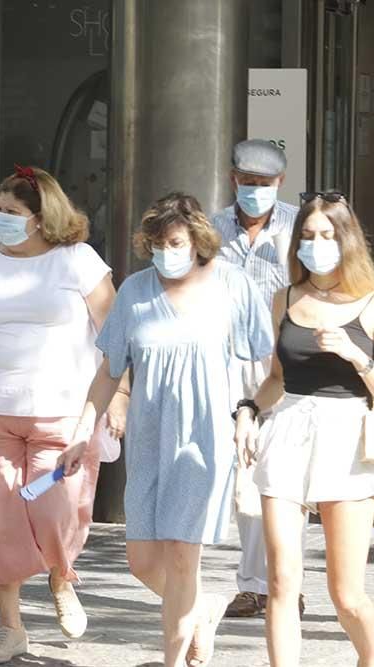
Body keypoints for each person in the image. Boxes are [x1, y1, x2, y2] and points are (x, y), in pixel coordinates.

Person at [61, 192, 273, 667]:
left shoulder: (233, 285)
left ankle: (173, 659)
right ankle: (202, 609)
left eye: (174, 242)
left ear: (197, 240)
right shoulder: (136, 291)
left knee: (182, 555)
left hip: (207, 437)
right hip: (148, 439)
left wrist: (249, 415)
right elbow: (109, 369)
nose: (165, 252)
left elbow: (262, 363)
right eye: (156, 244)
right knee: (141, 560)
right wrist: (82, 429)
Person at [0, 166, 128, 665]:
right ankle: (10, 627)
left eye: (11, 212)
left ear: (42, 219)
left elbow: (115, 335)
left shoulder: (78, 261)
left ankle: (62, 575)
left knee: (57, 511)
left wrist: (120, 398)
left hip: (62, 413)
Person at [237, 192, 374, 666]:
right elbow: (276, 378)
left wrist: (358, 357)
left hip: (348, 437)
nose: (316, 245)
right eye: (308, 237)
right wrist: (248, 410)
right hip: (290, 430)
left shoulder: (370, 300)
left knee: (347, 595)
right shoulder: (286, 297)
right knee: (281, 581)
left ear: (347, 240)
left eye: (327, 235)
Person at [211, 139, 304, 620]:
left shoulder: (298, 228)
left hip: (286, 359)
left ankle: (286, 581)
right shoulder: (211, 228)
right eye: (247, 183)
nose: (254, 192)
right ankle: (254, 585)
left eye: (264, 185)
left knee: (281, 472)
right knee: (244, 469)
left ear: (280, 184)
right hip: (228, 360)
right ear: (233, 180)